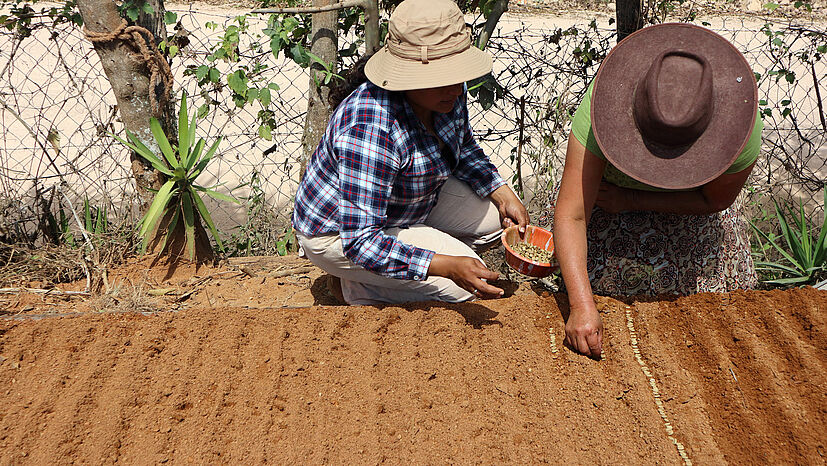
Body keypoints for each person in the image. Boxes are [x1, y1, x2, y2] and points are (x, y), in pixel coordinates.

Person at [292, 0, 528, 305]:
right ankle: (353, 286)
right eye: (445, 78)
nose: (458, 90)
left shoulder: (445, 92)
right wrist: (443, 265)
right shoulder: (370, 126)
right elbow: (361, 241)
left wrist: (501, 192)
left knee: (496, 221)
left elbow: (464, 146)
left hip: (402, 203)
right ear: (408, 76)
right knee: (462, 287)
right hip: (341, 234)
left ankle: (406, 260)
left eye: (458, 75)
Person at [553, 23, 763, 358]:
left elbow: (714, 199)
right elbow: (573, 212)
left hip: (686, 208)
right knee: (597, 287)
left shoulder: (741, 131)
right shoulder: (598, 111)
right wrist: (581, 306)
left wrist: (633, 199)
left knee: (708, 310)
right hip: (605, 202)